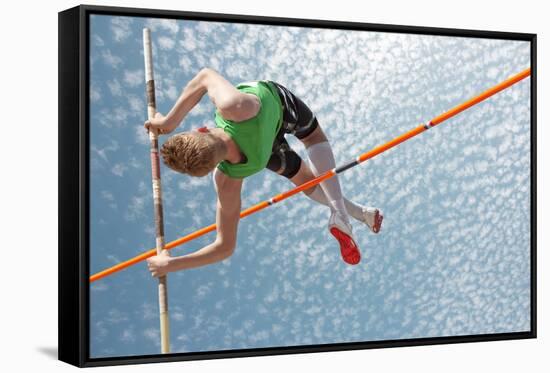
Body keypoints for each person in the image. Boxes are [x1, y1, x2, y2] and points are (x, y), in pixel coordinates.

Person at [144, 68, 383, 276]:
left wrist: (170, 264)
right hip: (277, 110)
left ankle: (362, 214)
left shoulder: (227, 178)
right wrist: (168, 122)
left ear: (208, 169)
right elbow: (205, 76)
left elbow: (224, 247)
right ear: (202, 129)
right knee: (313, 138)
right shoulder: (234, 107)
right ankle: (340, 213)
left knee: (306, 182)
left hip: (264, 153)